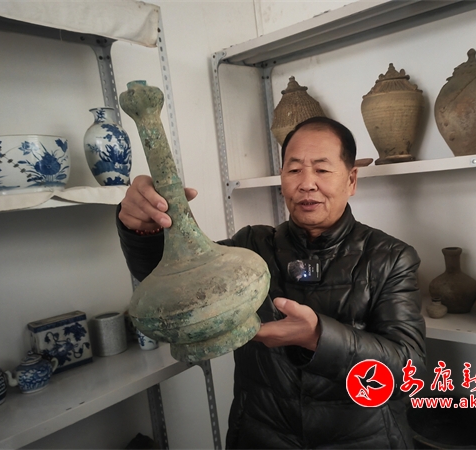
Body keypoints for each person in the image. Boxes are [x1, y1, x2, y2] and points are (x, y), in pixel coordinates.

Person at [117, 117, 426, 448]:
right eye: (294, 170)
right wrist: (144, 230)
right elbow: (177, 284)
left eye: (322, 169)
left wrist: (318, 338)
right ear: (281, 179)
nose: (306, 184)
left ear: (351, 180)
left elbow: (410, 369)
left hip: (365, 438)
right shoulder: (250, 247)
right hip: (261, 435)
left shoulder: (390, 257)